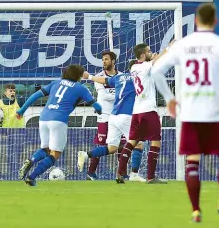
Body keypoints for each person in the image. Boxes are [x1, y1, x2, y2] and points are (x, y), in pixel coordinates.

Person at [151, 2, 219, 223]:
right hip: (215, 112)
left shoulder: (183, 45)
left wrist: (170, 98)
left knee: (193, 161)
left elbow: (156, 71)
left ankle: (195, 210)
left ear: (195, 21)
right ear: (215, 21)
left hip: (190, 113)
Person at [17, 64, 103, 186]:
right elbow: (97, 106)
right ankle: (32, 177)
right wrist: (99, 111)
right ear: (78, 75)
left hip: (43, 118)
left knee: (46, 149)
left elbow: (35, 95)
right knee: (55, 153)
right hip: (58, 120)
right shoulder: (80, 88)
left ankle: (32, 159)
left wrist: (21, 111)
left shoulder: (55, 83)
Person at [81, 51, 144, 181]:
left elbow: (113, 90)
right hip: (105, 116)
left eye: (106, 59)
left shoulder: (120, 77)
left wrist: (119, 93)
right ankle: (91, 173)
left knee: (117, 147)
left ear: (113, 61)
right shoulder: (99, 77)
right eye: (103, 59)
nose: (104, 62)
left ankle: (122, 174)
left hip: (115, 115)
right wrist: (121, 94)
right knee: (131, 143)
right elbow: (104, 95)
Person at [115, 42, 171, 184]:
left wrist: (155, 58)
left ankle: (120, 172)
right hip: (148, 110)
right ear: (142, 55)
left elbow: (154, 62)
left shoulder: (134, 67)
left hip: (137, 111)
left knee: (132, 141)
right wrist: (170, 47)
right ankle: (151, 177)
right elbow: (156, 60)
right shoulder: (144, 66)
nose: (150, 52)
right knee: (156, 141)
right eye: (148, 51)